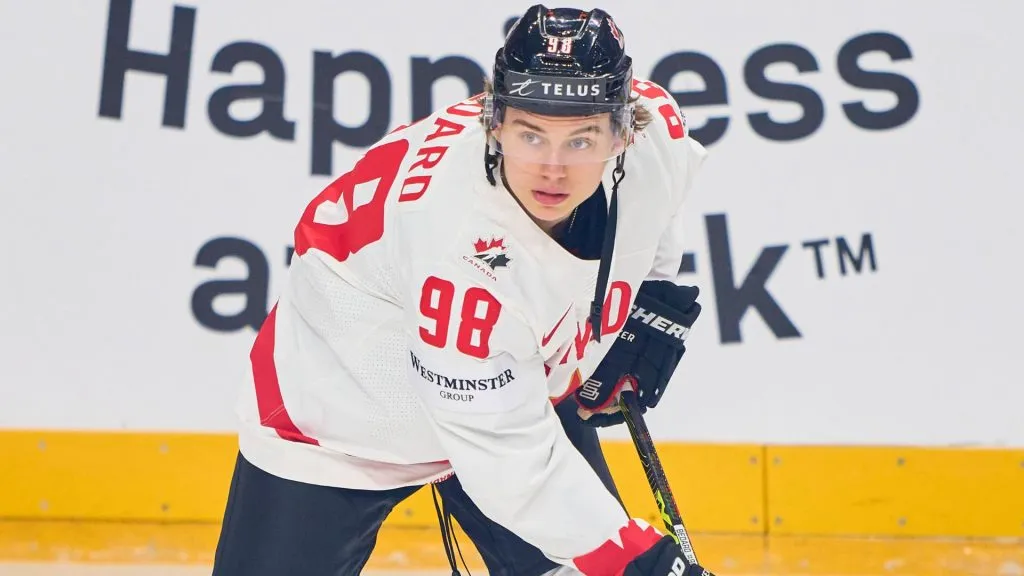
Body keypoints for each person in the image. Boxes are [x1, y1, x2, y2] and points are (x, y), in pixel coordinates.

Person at [211, 4, 713, 576]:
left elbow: (653, 202)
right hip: (345, 409)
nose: (553, 168)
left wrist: (644, 298)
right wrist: (636, 560)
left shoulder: (657, 133)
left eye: (581, 140)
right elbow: (507, 459)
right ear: (493, 122)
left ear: (625, 130)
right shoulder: (456, 243)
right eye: (530, 133)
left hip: (510, 386)